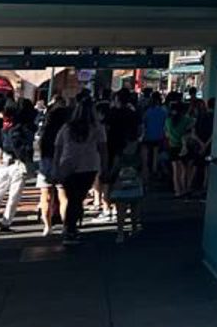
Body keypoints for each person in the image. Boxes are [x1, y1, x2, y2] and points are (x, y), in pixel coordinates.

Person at [54, 96, 106, 245]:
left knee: (72, 198)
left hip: (67, 165)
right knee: (78, 198)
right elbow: (103, 149)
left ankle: (70, 228)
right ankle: (71, 228)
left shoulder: (67, 127)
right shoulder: (97, 127)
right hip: (88, 166)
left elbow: (58, 147)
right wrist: (105, 166)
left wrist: (56, 166)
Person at [0, 101, 33, 232]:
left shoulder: (4, 126)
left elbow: (0, 142)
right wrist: (26, 159)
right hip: (17, 162)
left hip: (5, 160)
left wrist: (0, 154)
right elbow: (24, 146)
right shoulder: (23, 126)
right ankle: (6, 222)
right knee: (14, 194)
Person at [36, 99, 69, 236]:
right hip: (62, 162)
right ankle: (65, 227)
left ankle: (47, 226)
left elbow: (39, 147)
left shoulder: (45, 131)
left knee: (46, 196)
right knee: (63, 195)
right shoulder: (66, 131)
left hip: (46, 162)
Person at [105, 135, 145, 243]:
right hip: (135, 183)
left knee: (121, 211)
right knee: (135, 209)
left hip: (120, 184)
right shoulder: (139, 150)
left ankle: (120, 233)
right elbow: (144, 167)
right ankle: (134, 229)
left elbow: (114, 169)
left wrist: (109, 180)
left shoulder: (119, 154)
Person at [166, 100, 196, 199]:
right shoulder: (185, 120)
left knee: (175, 170)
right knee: (184, 169)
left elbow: (166, 134)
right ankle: (184, 189)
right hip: (183, 146)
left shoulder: (168, 121)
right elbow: (194, 122)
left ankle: (177, 190)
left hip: (172, 146)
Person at [141, 91, 168, 181]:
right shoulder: (164, 111)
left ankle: (147, 174)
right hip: (160, 136)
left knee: (147, 155)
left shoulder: (148, 111)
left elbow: (143, 122)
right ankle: (155, 170)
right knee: (156, 154)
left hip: (148, 136)